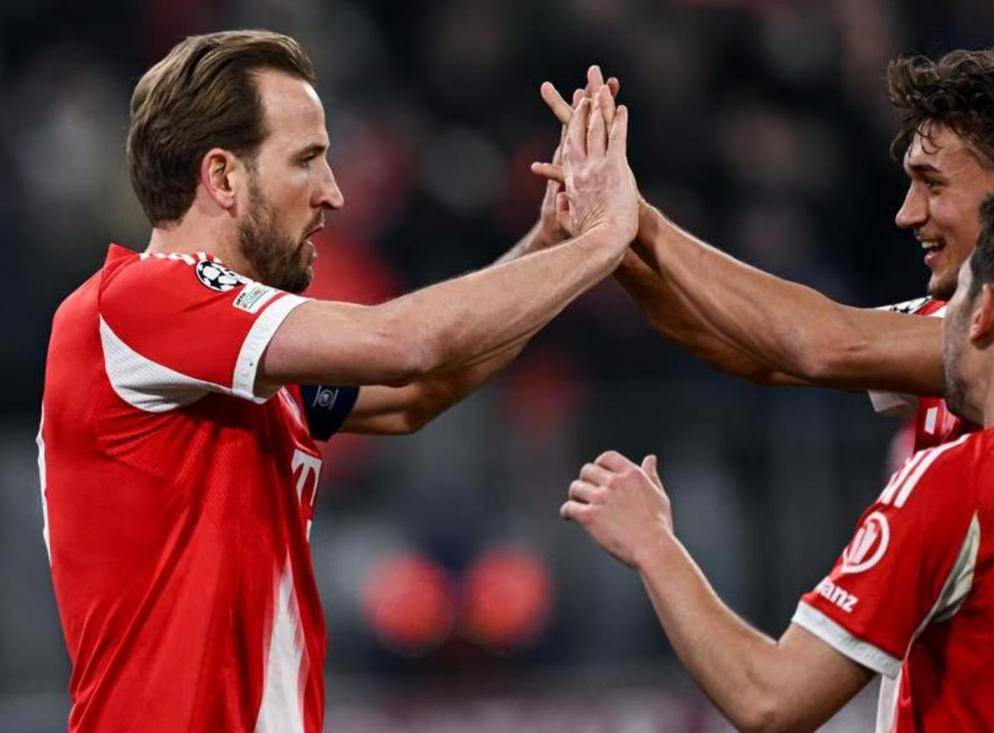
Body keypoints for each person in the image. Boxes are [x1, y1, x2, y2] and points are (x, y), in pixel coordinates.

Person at [37, 30, 635, 732]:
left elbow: (415, 395)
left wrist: (550, 241)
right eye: (307, 161)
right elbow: (405, 344)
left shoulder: (246, 355)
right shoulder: (135, 302)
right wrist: (605, 240)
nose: (334, 193)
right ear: (223, 177)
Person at [562, 185, 994, 731]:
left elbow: (769, 698)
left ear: (985, 313)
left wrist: (654, 543)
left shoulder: (962, 481)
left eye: (958, 296)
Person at [536, 42, 994, 454]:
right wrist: (613, 243)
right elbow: (754, 351)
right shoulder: (967, 322)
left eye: (932, 183)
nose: (906, 214)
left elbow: (824, 346)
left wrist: (639, 219)